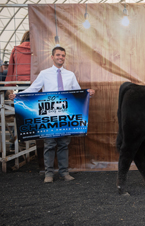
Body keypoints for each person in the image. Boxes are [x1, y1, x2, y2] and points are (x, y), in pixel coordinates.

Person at [9, 46, 95, 183]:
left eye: (63, 55)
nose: (61, 57)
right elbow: (34, 89)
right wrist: (18, 95)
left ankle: (64, 172)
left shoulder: (70, 75)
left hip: (65, 116)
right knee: (49, 144)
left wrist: (87, 93)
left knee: (63, 144)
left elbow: (77, 93)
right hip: (48, 116)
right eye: (58, 55)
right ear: (52, 57)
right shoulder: (44, 73)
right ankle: (48, 174)